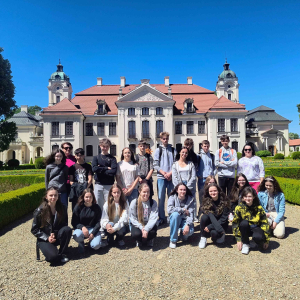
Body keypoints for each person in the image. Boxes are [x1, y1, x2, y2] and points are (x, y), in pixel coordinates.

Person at [31, 187, 72, 263]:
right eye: (51, 195)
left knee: (67, 229)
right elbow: (34, 229)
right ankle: (54, 253)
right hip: (44, 238)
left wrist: (55, 233)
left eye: (55, 195)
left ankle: (62, 253)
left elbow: (65, 224)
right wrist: (47, 237)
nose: (53, 197)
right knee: (53, 258)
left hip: (57, 235)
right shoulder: (40, 211)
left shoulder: (63, 208)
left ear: (58, 196)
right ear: (46, 197)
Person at [232, 186, 270, 255]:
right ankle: (245, 243)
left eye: (250, 196)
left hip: (255, 227)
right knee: (244, 223)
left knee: (258, 241)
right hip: (244, 229)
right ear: (243, 198)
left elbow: (265, 223)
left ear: (254, 197)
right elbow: (235, 223)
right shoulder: (239, 207)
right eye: (245, 196)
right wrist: (238, 239)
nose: (247, 198)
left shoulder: (259, 208)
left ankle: (253, 241)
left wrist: (266, 240)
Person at [72, 188, 105, 254]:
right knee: (77, 235)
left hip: (92, 229)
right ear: (83, 197)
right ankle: (81, 244)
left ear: (93, 197)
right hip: (81, 230)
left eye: (90, 197)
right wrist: (82, 227)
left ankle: (91, 243)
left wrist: (93, 233)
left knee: (96, 246)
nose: (88, 199)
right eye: (86, 197)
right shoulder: (78, 207)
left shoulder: (97, 207)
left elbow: (98, 222)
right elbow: (74, 222)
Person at [154, 132, 177, 225]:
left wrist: (170, 173)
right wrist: (164, 173)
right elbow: (155, 164)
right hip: (161, 177)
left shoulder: (173, 150)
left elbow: (176, 164)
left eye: (166, 138)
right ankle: (162, 217)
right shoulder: (157, 150)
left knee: (172, 198)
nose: (165, 140)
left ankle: (171, 215)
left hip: (171, 177)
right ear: (161, 139)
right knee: (161, 198)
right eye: (163, 139)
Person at [198, 183, 230, 249]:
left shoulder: (225, 201)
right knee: (204, 217)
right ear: (208, 192)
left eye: (215, 190)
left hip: (221, 224)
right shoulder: (205, 200)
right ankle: (203, 237)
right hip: (211, 221)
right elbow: (202, 211)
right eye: (211, 191)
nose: (213, 193)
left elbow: (223, 219)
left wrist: (210, 226)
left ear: (218, 191)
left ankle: (221, 234)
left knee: (214, 234)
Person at [129, 183, 158, 248]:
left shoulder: (153, 203)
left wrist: (146, 229)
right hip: (138, 224)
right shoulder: (134, 202)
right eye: (144, 192)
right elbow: (132, 218)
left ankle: (149, 240)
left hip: (148, 224)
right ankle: (139, 240)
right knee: (136, 234)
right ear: (140, 192)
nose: (146, 194)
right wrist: (141, 227)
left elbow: (153, 218)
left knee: (153, 232)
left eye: (148, 192)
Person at [92, 138, 117, 210]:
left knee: (109, 205)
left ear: (109, 147)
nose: (105, 148)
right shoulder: (96, 158)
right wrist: (106, 168)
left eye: (107, 146)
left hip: (109, 185)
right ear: (100, 146)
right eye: (103, 146)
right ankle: (99, 220)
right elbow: (94, 169)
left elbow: (113, 172)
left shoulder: (112, 158)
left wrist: (100, 169)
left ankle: (108, 220)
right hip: (98, 184)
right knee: (98, 205)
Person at [168, 183, 195, 249]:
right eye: (181, 190)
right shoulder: (172, 197)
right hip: (175, 219)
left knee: (190, 231)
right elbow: (169, 210)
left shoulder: (191, 199)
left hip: (185, 219)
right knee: (175, 215)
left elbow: (191, 214)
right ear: (177, 190)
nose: (182, 191)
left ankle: (183, 235)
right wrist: (182, 210)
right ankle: (173, 240)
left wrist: (188, 225)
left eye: (184, 190)